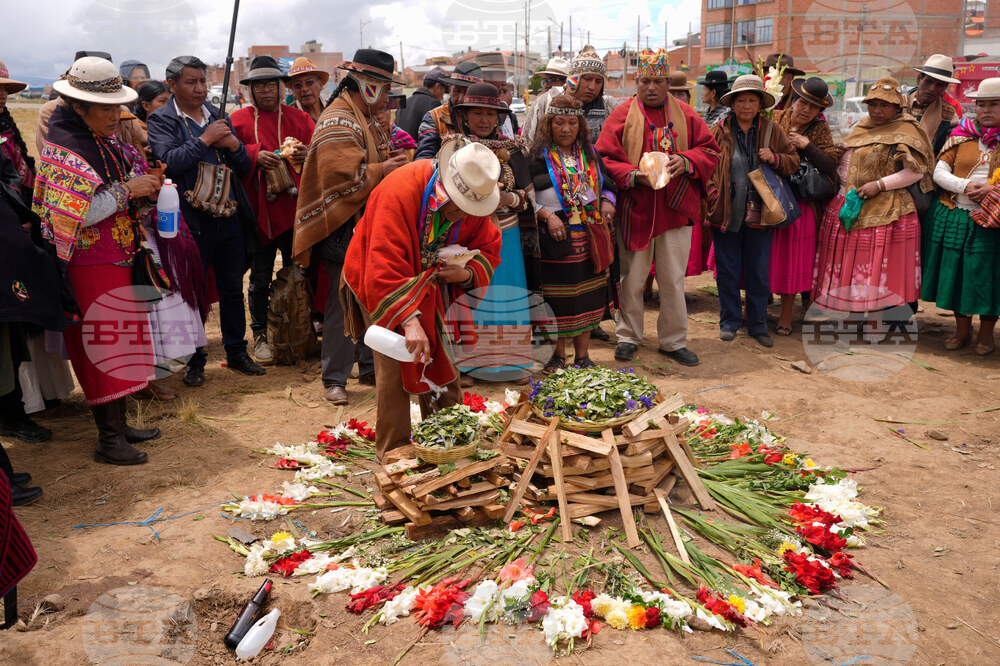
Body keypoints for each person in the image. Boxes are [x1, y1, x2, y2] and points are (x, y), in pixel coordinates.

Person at [34, 56, 164, 465]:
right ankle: (108, 439)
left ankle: (119, 426)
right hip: (87, 264)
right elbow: (80, 214)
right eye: (106, 108)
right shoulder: (63, 151)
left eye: (117, 106)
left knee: (121, 340)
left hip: (116, 256)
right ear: (78, 106)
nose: (116, 114)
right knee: (102, 347)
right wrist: (130, 189)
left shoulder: (99, 141)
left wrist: (145, 190)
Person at [340, 142, 502, 460]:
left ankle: (447, 439)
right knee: (396, 359)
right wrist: (410, 321)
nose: (464, 214)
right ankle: (394, 449)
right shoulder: (399, 190)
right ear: (445, 185)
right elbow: (382, 262)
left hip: (427, 281)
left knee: (440, 354)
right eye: (457, 206)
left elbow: (488, 247)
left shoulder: (473, 199)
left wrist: (465, 274)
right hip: (377, 276)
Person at [293, 49, 409, 406]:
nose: (388, 99)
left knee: (369, 296)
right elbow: (340, 175)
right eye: (384, 90)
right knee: (342, 301)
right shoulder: (338, 119)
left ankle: (369, 367)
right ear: (369, 87)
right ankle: (335, 378)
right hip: (343, 226)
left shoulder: (362, 115)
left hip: (364, 224)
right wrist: (383, 171)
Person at [597, 49, 721, 365]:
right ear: (637, 82)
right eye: (645, 81)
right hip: (636, 210)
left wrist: (687, 160)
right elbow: (604, 158)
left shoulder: (686, 114)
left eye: (658, 81)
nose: (651, 87)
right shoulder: (621, 115)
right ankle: (628, 337)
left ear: (667, 83)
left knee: (672, 280)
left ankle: (673, 341)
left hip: (675, 210)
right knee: (632, 279)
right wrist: (632, 175)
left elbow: (710, 150)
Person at [148, 55, 264, 387]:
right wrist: (206, 140)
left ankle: (237, 352)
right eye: (191, 82)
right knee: (193, 292)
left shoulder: (216, 115)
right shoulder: (161, 120)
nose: (200, 88)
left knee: (231, 289)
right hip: (190, 222)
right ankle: (196, 358)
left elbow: (242, 166)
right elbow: (168, 162)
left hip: (227, 217)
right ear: (171, 85)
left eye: (203, 81)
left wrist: (234, 144)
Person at [812, 77, 933, 329]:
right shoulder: (862, 126)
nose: (877, 110)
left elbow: (915, 172)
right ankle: (854, 317)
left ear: (897, 107)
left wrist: (879, 184)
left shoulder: (907, 129)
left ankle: (875, 322)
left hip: (887, 211)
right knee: (853, 266)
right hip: (851, 206)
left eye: (884, 105)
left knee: (877, 270)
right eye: (873, 104)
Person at [448, 84, 538, 381]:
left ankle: (511, 364)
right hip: (466, 237)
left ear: (499, 117)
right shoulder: (452, 149)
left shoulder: (512, 151)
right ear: (464, 115)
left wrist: (506, 199)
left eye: (490, 113)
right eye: (477, 113)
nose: (484, 119)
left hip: (505, 236)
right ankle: (471, 366)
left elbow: (527, 199)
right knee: (473, 298)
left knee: (504, 298)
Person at [231, 56, 314, 366]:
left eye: (270, 84)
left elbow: (319, 155)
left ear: (280, 87)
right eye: (258, 86)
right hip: (257, 213)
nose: (265, 91)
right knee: (259, 277)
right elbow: (229, 162)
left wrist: (308, 153)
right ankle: (260, 335)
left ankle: (299, 331)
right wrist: (254, 155)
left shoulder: (300, 119)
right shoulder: (237, 121)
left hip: (295, 213)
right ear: (250, 90)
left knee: (298, 273)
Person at [707, 74, 800, 347]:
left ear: (760, 103)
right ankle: (730, 321)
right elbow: (705, 163)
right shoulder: (718, 130)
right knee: (728, 270)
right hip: (726, 211)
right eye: (741, 100)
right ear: (733, 103)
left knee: (758, 272)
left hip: (762, 213)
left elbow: (793, 161)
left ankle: (758, 324)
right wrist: (712, 196)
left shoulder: (772, 131)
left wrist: (776, 158)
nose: (746, 106)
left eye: (752, 100)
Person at [529, 94, 616, 372]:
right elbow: (524, 197)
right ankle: (557, 356)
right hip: (554, 240)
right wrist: (547, 215)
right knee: (556, 298)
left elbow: (609, 186)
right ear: (547, 124)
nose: (566, 129)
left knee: (587, 297)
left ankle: (583, 356)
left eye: (572, 123)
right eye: (558, 123)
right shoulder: (535, 157)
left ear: (580, 125)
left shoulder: (590, 154)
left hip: (590, 237)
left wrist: (606, 202)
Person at [921, 77, 1000, 356]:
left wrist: (993, 189)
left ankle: (986, 334)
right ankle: (962, 331)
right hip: (956, 214)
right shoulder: (960, 135)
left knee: (989, 278)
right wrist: (965, 186)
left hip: (993, 222)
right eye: (981, 105)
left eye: (994, 104)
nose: (986, 110)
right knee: (957, 277)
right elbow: (939, 173)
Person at [770, 77, 838, 336]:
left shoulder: (820, 130)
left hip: (800, 204)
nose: (806, 110)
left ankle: (786, 315)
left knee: (792, 260)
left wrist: (807, 146)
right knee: (763, 257)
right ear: (794, 100)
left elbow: (831, 167)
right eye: (803, 102)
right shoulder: (774, 118)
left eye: (814, 107)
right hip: (769, 198)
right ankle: (751, 309)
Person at [522, 46, 620, 145]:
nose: (592, 87)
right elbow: (526, 144)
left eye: (598, 81)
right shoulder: (546, 101)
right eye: (587, 79)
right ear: (573, 79)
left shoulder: (609, 105)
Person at [414, 61, 483, 160]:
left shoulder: (488, 117)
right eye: (457, 91)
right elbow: (424, 158)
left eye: (468, 92)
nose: (461, 99)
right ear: (450, 89)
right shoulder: (434, 118)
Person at [909, 54, 961, 155]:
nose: (932, 89)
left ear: (945, 87)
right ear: (919, 79)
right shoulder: (898, 103)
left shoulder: (948, 114)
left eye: (939, 85)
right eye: (929, 82)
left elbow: (947, 150)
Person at [395, 68, 449, 140]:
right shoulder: (434, 104)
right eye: (443, 91)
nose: (442, 97)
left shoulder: (405, 102)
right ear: (437, 87)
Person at [287, 57, 329, 123]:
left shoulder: (332, 109)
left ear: (320, 85)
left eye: (309, 82)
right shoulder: (288, 117)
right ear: (293, 90)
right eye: (298, 85)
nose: (304, 89)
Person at [376, 92, 417, 161]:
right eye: (375, 113)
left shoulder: (403, 139)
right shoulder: (365, 139)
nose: (380, 117)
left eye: (384, 110)